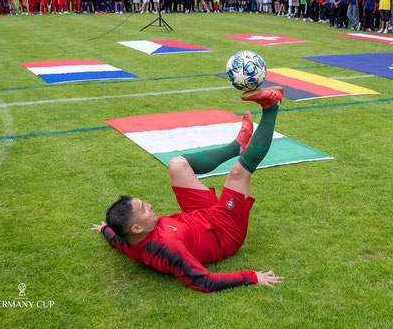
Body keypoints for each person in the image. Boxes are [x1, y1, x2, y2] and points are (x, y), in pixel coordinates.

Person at [91, 87, 285, 293]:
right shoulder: (168, 249)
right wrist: (252, 276)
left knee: (177, 165)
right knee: (238, 172)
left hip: (198, 216)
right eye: (144, 209)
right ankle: (272, 106)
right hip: (224, 232)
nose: (149, 205)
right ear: (137, 228)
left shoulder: (129, 238)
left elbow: (116, 239)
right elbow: (204, 281)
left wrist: (104, 229)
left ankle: (236, 146)